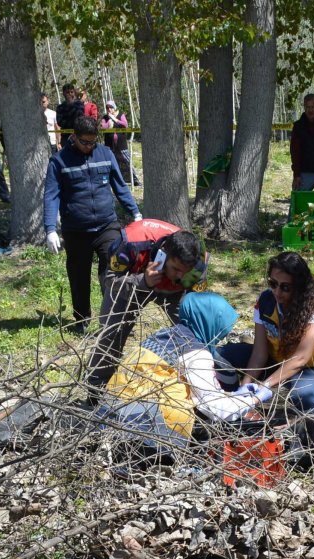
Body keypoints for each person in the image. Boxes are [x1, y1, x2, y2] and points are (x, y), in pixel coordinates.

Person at [103, 292, 266, 459]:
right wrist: (254, 399)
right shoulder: (195, 352)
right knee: (209, 422)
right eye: (221, 331)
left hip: (109, 416)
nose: (220, 337)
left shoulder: (164, 336)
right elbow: (216, 409)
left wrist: (233, 396)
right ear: (211, 323)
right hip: (147, 433)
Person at [43, 115, 142, 334]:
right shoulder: (59, 161)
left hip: (107, 225)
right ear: (73, 137)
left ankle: (115, 319)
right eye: (84, 142)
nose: (89, 146)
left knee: (114, 271)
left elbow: (120, 186)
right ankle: (81, 319)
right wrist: (50, 229)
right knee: (79, 276)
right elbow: (51, 196)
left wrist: (135, 212)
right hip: (76, 230)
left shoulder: (106, 154)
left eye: (92, 142)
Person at [86, 220, 208, 390]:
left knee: (194, 333)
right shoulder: (132, 243)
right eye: (176, 269)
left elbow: (197, 302)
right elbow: (110, 280)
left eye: (185, 271)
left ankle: (201, 386)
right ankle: (96, 390)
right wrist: (143, 281)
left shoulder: (199, 262)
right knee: (110, 334)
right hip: (134, 281)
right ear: (163, 253)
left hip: (174, 293)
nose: (180, 275)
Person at [217, 251, 314, 414]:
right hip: (274, 360)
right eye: (273, 283)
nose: (277, 292)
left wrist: (265, 385)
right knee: (221, 355)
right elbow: (259, 353)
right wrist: (244, 390)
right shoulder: (265, 301)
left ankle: (304, 413)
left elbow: (300, 358)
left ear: (299, 286)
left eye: (285, 287)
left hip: (308, 368)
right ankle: (230, 404)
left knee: (306, 397)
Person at [101, 101, 136, 185]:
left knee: (127, 161)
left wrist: (115, 119)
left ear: (114, 107)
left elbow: (125, 125)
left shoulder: (121, 115)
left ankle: (134, 180)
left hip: (121, 145)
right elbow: (102, 127)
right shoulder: (105, 117)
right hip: (109, 145)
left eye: (111, 107)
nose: (109, 109)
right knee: (107, 163)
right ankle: (107, 181)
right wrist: (109, 122)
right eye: (107, 108)